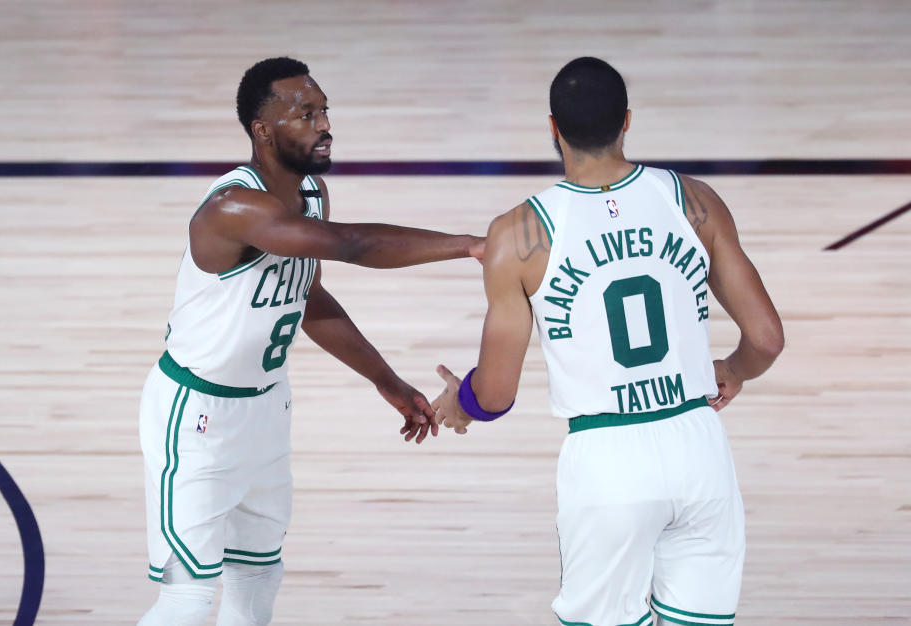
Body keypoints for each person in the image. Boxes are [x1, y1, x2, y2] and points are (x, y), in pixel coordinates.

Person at [432, 57, 783, 626]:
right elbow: (766, 338)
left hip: (606, 458)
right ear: (627, 121)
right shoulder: (693, 201)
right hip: (699, 448)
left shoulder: (518, 235)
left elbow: (495, 392)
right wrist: (736, 370)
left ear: (552, 127)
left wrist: (460, 403)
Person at [137, 56, 483, 626]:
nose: (324, 125)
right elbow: (351, 245)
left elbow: (307, 297)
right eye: (306, 114)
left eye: (325, 111)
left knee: (257, 576)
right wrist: (469, 245)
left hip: (267, 408)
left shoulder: (313, 193)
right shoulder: (234, 208)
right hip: (196, 414)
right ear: (263, 131)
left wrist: (387, 381)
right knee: (187, 600)